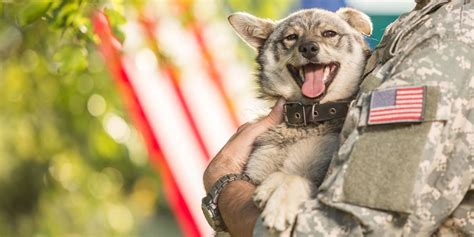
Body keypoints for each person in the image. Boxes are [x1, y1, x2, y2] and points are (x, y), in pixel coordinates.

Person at [203, 0, 474, 236]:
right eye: (292, 38)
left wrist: (223, 181)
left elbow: (343, 228)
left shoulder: (450, 34)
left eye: (329, 34)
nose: (309, 45)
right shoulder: (420, 20)